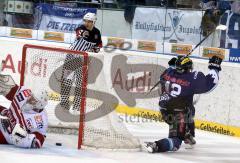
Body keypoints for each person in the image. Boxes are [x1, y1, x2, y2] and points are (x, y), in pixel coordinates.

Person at [144, 55, 222, 153]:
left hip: (164, 110)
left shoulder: (168, 72)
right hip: (179, 113)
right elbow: (210, 84)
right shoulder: (192, 79)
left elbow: (165, 75)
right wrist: (214, 67)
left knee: (187, 114)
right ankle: (157, 145)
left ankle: (186, 133)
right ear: (187, 68)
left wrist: (173, 65)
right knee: (176, 142)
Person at [60, 12, 102, 114]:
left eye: (89, 21)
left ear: (94, 22)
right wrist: (83, 34)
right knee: (66, 81)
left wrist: (95, 49)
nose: (87, 23)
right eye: (85, 21)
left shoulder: (97, 33)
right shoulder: (81, 28)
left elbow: (99, 45)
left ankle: (77, 107)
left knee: (80, 84)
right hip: (71, 57)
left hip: (82, 60)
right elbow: (79, 32)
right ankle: (64, 105)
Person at [0, 74, 48, 148]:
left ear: (39, 105)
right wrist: (6, 88)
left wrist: (26, 140)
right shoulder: (25, 93)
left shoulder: (41, 121)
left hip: (7, 133)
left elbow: (38, 141)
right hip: (5, 118)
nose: (29, 99)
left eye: (33, 100)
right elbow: (10, 91)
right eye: (31, 96)